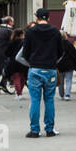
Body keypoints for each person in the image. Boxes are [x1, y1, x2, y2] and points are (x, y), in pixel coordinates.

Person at [19, 8, 62, 138]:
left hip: (35, 69)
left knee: (35, 100)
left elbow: (25, 52)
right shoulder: (55, 31)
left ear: (37, 18)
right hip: (50, 69)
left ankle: (34, 130)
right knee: (49, 100)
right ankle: (49, 129)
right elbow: (60, 51)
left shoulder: (30, 31)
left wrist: (32, 61)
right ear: (49, 18)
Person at [0, 16, 14, 94]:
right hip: (5, 53)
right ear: (10, 22)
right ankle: (3, 84)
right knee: (9, 69)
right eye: (12, 22)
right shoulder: (10, 31)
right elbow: (12, 43)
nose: (13, 23)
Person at [56, 31, 76, 101]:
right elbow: (74, 55)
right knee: (69, 80)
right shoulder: (70, 44)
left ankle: (61, 95)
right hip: (69, 66)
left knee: (60, 81)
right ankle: (67, 95)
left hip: (59, 66)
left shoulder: (56, 45)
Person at [5, 28, 28, 96]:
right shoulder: (24, 42)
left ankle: (19, 94)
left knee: (16, 78)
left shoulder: (11, 42)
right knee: (22, 78)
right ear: (21, 34)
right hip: (23, 62)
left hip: (13, 62)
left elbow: (6, 53)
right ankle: (20, 92)